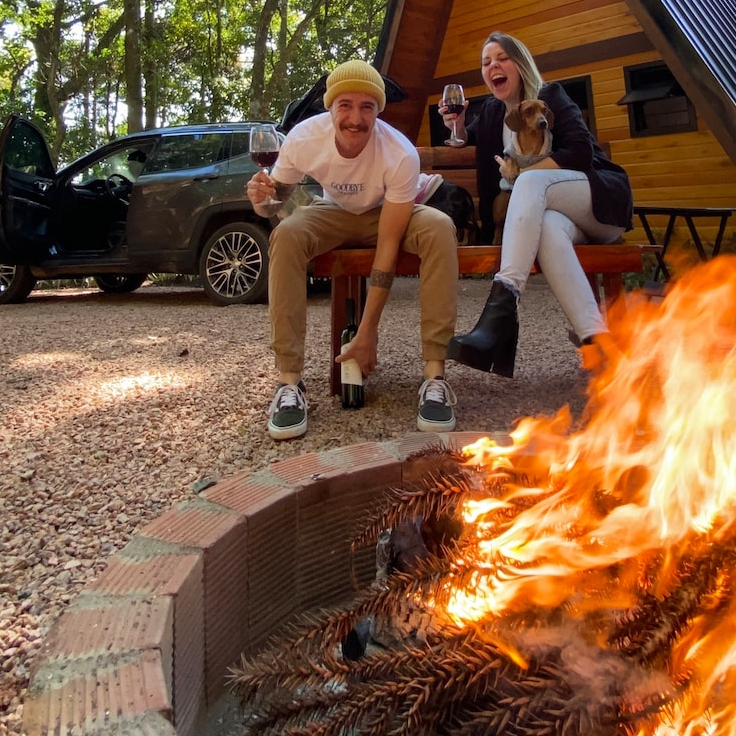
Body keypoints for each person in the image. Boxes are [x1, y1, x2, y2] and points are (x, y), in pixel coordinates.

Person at [247, 59, 460, 440]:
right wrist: (259, 201)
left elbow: (389, 242)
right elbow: (272, 205)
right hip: (334, 211)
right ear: (330, 108)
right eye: (345, 105)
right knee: (287, 235)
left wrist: (366, 333)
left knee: (440, 227)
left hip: (390, 213)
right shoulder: (302, 139)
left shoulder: (399, 153)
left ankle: (435, 376)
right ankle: (289, 383)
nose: (355, 119)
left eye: (367, 107)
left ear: (378, 110)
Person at [442, 32, 633, 375]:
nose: (493, 66)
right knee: (546, 228)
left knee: (527, 180)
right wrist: (456, 127)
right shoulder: (490, 112)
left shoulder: (549, 97)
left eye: (501, 58)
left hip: (597, 201)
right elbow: (467, 137)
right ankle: (598, 342)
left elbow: (579, 152)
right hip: (558, 218)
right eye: (486, 63)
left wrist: (521, 174)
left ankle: (500, 314)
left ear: (520, 63)